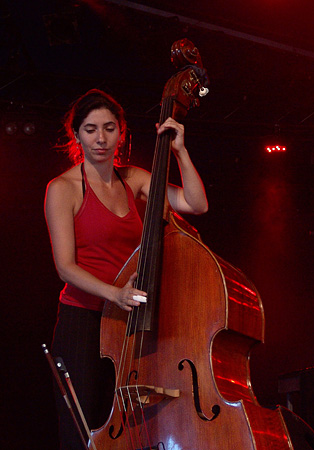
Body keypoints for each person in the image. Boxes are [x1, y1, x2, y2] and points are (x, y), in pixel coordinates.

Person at [44, 89, 208, 449]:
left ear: (121, 132)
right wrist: (115, 294)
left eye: (108, 128)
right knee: (82, 432)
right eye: (90, 129)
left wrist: (179, 149)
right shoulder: (63, 188)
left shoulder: (133, 179)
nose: (100, 138)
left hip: (126, 323)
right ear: (76, 135)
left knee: (125, 427)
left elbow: (195, 204)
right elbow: (65, 267)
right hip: (83, 320)